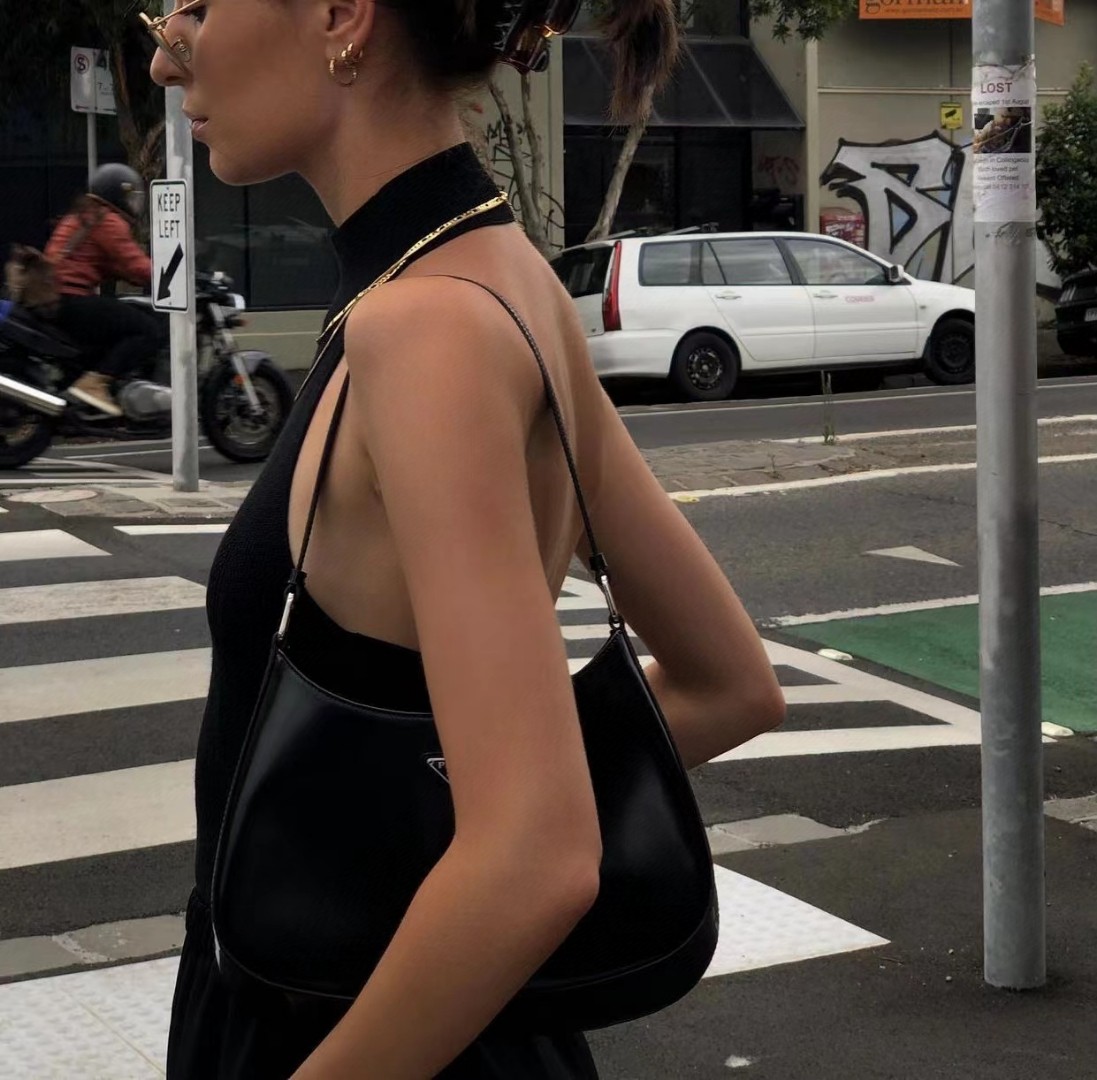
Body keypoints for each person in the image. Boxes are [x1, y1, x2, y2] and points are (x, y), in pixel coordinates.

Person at [146, 1, 785, 1077]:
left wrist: (471, 846)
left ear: (340, 15)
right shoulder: (505, 278)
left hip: (343, 1030)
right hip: (430, 1009)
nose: (170, 59)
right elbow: (730, 686)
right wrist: (426, 834)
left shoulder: (423, 326)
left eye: (201, 7)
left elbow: (535, 858)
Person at [44, 162, 167, 416]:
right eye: (131, 197)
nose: (134, 204)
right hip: (72, 299)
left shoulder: (84, 216)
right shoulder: (107, 220)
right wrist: (171, 278)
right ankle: (95, 384)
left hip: (57, 299)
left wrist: (139, 276)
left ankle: (88, 395)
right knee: (148, 330)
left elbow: (113, 266)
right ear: (117, 195)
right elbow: (134, 263)